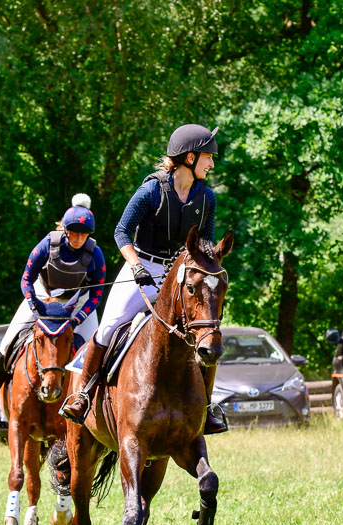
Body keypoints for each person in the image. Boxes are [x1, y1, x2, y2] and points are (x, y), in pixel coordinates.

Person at [61, 124, 227, 434]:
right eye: (208, 157)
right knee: (109, 327)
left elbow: (205, 246)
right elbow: (120, 231)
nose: (212, 164)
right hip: (143, 268)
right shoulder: (152, 190)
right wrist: (136, 265)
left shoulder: (207, 198)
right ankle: (82, 395)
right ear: (190, 157)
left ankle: (206, 407)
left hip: (180, 274)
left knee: (207, 330)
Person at [0, 194, 106, 416]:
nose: (79, 238)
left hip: (77, 304)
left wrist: (78, 319)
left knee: (97, 348)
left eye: (84, 234)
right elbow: (26, 279)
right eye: (75, 232)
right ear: (65, 230)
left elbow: (96, 294)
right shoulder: (47, 244)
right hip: (43, 297)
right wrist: (34, 306)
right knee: (9, 339)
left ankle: (96, 405)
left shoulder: (95, 254)